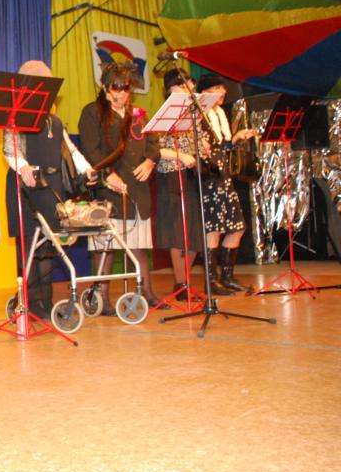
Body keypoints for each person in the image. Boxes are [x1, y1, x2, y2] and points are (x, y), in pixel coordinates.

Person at [3, 60, 97, 320]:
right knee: (29, 244)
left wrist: (87, 170)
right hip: (27, 186)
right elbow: (10, 149)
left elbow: (71, 150)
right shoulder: (16, 118)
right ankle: (30, 300)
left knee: (48, 245)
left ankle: (45, 299)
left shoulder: (54, 121)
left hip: (52, 188)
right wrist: (22, 166)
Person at [78, 62, 161, 313]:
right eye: (116, 88)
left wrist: (150, 161)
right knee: (106, 246)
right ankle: (101, 298)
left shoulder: (139, 114)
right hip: (109, 188)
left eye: (126, 88)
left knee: (138, 246)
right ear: (105, 88)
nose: (122, 94)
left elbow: (153, 142)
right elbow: (91, 149)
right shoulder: (92, 112)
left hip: (137, 188)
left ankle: (146, 292)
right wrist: (107, 175)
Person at [197, 73, 256, 294]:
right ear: (204, 93)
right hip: (210, 177)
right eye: (216, 89)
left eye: (222, 88)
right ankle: (211, 280)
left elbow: (223, 147)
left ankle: (227, 276)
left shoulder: (220, 114)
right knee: (213, 228)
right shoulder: (198, 115)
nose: (222, 92)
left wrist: (237, 137)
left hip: (224, 176)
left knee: (237, 227)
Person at [155, 68, 206, 300]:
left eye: (190, 84)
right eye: (183, 85)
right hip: (171, 174)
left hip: (191, 174)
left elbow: (196, 143)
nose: (189, 88)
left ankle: (186, 280)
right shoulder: (164, 115)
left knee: (194, 231)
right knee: (177, 230)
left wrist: (202, 147)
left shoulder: (193, 113)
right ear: (171, 89)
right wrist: (181, 156)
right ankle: (180, 283)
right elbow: (156, 149)